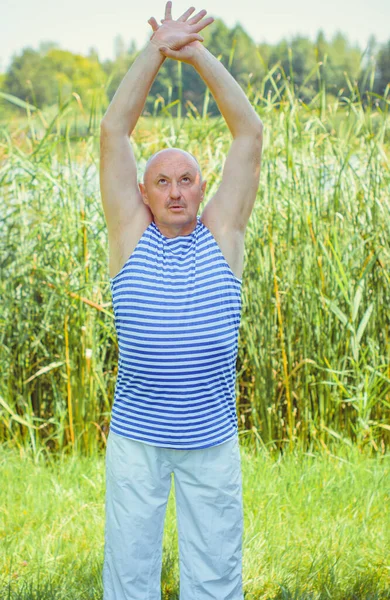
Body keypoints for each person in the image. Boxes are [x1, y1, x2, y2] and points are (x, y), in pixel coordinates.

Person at [99, 2, 263, 598]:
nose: (174, 189)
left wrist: (194, 54)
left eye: (186, 178)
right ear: (141, 192)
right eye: (161, 180)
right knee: (129, 573)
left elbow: (249, 132)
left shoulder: (223, 236)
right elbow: (114, 131)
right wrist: (154, 51)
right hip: (137, 442)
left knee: (215, 577)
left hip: (211, 440)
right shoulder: (130, 235)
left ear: (204, 187)